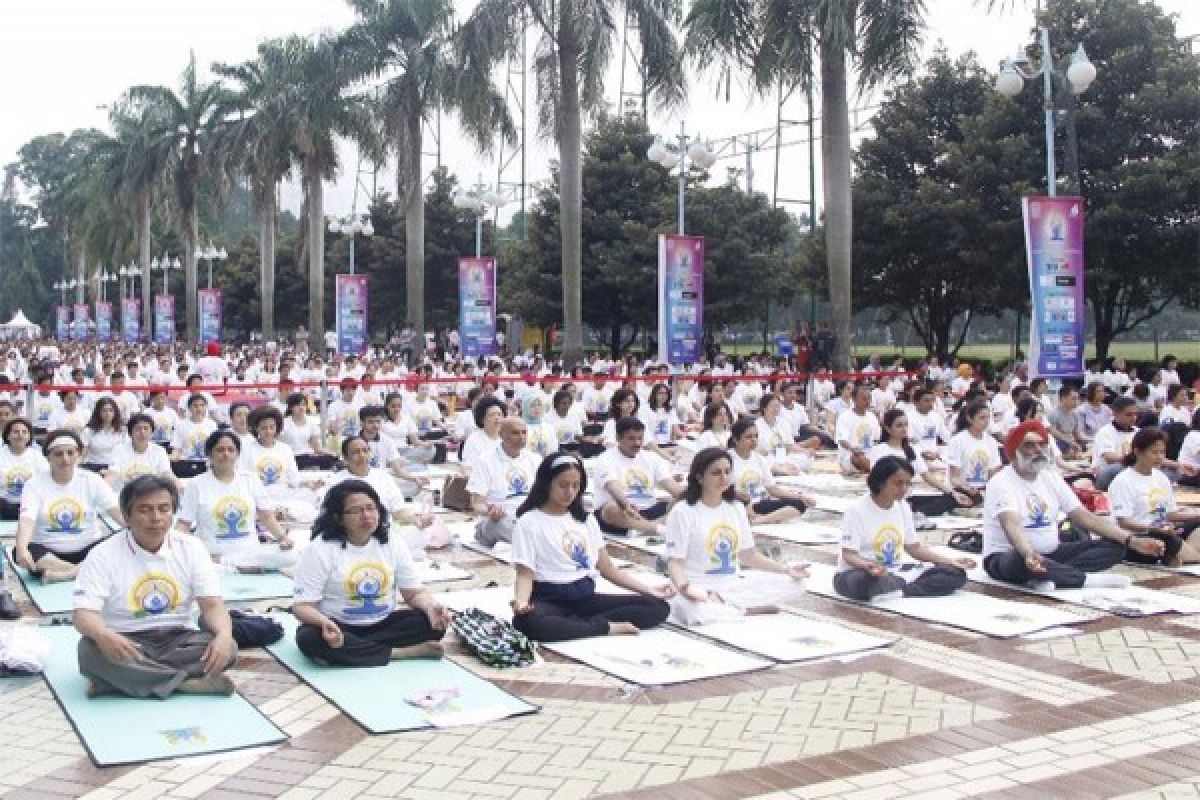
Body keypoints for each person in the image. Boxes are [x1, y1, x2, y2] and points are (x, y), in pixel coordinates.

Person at [73, 475, 237, 698]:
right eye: (145, 510)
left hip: (178, 639)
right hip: (126, 639)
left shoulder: (191, 547)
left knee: (228, 648)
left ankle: (123, 680)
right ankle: (183, 684)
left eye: (164, 509)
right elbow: (83, 614)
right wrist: (103, 635)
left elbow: (212, 606)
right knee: (89, 652)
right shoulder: (103, 554)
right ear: (126, 516)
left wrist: (224, 636)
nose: (156, 517)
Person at [982, 421, 1164, 589]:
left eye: (1041, 444)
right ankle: (1082, 579)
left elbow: (1084, 517)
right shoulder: (1001, 482)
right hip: (1009, 556)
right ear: (1014, 452)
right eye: (1029, 445)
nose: (1038, 450)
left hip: (1051, 553)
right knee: (1019, 560)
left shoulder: (1050, 477)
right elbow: (1011, 525)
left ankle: (1047, 575)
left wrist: (1131, 540)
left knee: (1115, 547)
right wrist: (1029, 553)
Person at [510, 454, 672, 641]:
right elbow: (525, 573)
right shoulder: (529, 522)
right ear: (547, 483)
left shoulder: (586, 519)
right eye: (563, 485)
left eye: (575, 486)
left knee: (657, 607)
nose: (569, 492)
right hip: (549, 600)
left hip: (585, 598)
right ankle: (603, 626)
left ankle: (575, 625)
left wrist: (648, 590)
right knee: (527, 622)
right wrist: (521, 602)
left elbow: (607, 568)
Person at [292, 479, 449, 666]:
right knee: (309, 638)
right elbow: (302, 606)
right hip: (338, 626)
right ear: (338, 518)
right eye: (356, 511)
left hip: (382, 623)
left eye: (371, 508)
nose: (366, 516)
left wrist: (431, 607)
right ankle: (400, 653)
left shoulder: (392, 543)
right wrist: (324, 623)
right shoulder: (319, 550)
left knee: (431, 624)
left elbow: (414, 593)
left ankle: (353, 652)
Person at [665, 447, 809, 626]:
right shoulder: (683, 511)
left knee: (797, 583)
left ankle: (727, 605)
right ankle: (742, 608)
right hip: (697, 587)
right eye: (716, 473)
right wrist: (684, 588)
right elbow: (675, 562)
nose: (724, 478)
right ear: (700, 477)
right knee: (693, 611)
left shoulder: (736, 507)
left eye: (727, 472)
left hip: (732, 586)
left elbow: (749, 556)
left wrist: (786, 570)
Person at [834, 457, 973, 601]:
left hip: (894, 571)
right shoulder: (856, 510)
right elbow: (849, 554)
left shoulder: (902, 506)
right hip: (861, 572)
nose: (904, 489)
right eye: (898, 483)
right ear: (880, 482)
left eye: (908, 483)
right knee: (862, 582)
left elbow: (914, 548)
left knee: (955, 573)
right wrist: (868, 566)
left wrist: (949, 561)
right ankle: (894, 587)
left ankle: (900, 590)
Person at [13, 430, 125, 583]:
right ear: (48, 457)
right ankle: (86, 571)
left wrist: (134, 531)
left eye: (70, 453)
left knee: (125, 540)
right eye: (58, 454)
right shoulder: (34, 485)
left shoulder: (92, 480)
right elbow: (27, 519)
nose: (65, 459)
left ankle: (67, 574)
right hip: (49, 554)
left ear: (78, 455)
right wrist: (21, 547)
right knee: (22, 550)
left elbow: (116, 511)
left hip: (89, 548)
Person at [176, 431, 295, 572]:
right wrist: (176, 548)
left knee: (292, 556)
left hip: (250, 554)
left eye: (231, 450)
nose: (226, 454)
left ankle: (233, 564)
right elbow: (184, 524)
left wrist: (282, 538)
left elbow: (267, 516)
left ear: (237, 454)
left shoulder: (250, 480)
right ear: (210, 454)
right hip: (212, 555)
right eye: (220, 450)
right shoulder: (196, 484)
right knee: (197, 564)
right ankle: (232, 565)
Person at [1108, 427, 1200, 566]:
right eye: (1154, 452)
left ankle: (1180, 555)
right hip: (1140, 536)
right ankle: (1184, 555)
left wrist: (1196, 516)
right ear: (1138, 451)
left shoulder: (1161, 477)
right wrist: (1153, 529)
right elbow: (1123, 522)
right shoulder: (1123, 481)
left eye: (1162, 452)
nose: (1159, 457)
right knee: (1166, 539)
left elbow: (1170, 514)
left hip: (1165, 529)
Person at [594, 418, 685, 537]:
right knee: (610, 509)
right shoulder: (605, 459)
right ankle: (655, 528)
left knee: (683, 498)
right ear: (618, 438)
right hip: (623, 512)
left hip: (648, 510)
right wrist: (626, 505)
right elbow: (613, 487)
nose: (637, 443)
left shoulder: (652, 458)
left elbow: (673, 488)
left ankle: (641, 527)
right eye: (631, 438)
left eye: (640, 438)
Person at [868, 410, 969, 516]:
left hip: (911, 495)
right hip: (891, 496)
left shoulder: (912, 449)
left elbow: (927, 476)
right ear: (888, 429)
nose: (904, 429)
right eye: (899, 426)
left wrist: (953, 493)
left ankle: (915, 511)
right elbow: (876, 480)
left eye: (906, 425)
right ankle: (911, 511)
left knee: (953, 498)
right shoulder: (879, 450)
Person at [467, 417, 542, 547]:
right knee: (506, 527)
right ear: (501, 435)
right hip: (498, 521)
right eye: (515, 433)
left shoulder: (535, 459)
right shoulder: (485, 460)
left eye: (524, 432)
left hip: (529, 518)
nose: (521, 437)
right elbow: (477, 503)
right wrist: (490, 511)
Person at [727, 418, 814, 525]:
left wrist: (799, 497)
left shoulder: (759, 458)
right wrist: (744, 500)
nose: (754, 440)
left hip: (762, 501)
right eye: (749, 437)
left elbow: (772, 488)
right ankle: (763, 517)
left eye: (756, 436)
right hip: (742, 504)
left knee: (799, 504)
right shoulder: (727, 459)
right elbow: (725, 490)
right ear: (736, 440)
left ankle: (760, 519)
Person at [945, 401, 1002, 503]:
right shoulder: (958, 440)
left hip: (984, 491)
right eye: (982, 418)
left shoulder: (991, 442)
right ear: (970, 419)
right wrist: (966, 487)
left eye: (988, 418)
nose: (986, 421)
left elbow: (993, 474)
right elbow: (954, 477)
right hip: (962, 491)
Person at [106, 413, 175, 492]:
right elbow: (112, 474)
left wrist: (181, 487)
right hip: (125, 495)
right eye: (137, 429)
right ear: (130, 433)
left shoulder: (159, 451)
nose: (142, 432)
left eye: (146, 429)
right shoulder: (119, 450)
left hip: (150, 494)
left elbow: (166, 473)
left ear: (152, 432)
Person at [0, 418, 47, 520]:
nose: (20, 435)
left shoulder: (38, 456)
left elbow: (46, 481)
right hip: (4, 504)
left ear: (29, 436)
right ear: (8, 436)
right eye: (16, 432)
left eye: (24, 432)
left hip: (31, 505)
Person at [1092, 396, 1138, 490]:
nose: (1133, 418)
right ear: (1115, 414)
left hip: (1131, 469)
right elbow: (1109, 457)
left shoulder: (1138, 431)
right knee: (1118, 468)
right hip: (1106, 473)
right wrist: (1134, 459)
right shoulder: (1105, 431)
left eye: (1135, 414)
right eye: (1129, 414)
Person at [835, 386, 880, 474]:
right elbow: (841, 440)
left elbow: (876, 440)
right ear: (854, 399)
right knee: (860, 458)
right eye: (864, 399)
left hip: (869, 454)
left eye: (869, 399)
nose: (867, 402)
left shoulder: (872, 417)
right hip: (850, 456)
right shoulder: (845, 416)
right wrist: (852, 449)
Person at [460, 396, 506, 471]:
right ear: (482, 419)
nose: (497, 418)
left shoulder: (507, 437)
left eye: (499, 414)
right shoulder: (474, 439)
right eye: (492, 415)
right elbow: (467, 467)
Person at [81, 397, 127, 471]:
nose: (108, 414)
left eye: (111, 410)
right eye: (104, 411)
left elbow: (126, 451)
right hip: (93, 465)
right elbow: (83, 452)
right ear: (98, 412)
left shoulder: (122, 430)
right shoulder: (89, 430)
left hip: (115, 467)